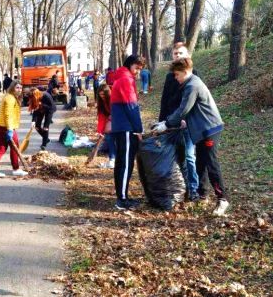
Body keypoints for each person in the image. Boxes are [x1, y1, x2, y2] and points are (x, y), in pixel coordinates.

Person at [153, 57, 228, 216]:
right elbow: (187, 111)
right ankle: (202, 195)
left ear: (185, 72)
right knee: (200, 162)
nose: (175, 77)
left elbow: (183, 110)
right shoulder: (189, 84)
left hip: (209, 129)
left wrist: (165, 124)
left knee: (211, 163)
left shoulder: (193, 85)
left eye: (177, 74)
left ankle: (223, 199)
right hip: (201, 130)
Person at [159, 42, 200, 200]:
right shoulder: (170, 76)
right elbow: (165, 100)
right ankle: (176, 188)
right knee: (173, 155)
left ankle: (193, 189)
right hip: (171, 123)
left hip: (187, 123)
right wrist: (163, 122)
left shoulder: (194, 75)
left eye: (181, 53)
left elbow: (193, 101)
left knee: (190, 156)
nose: (178, 56)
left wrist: (186, 119)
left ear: (187, 56)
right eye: (175, 54)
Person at [111, 55, 145, 210]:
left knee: (121, 163)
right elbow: (131, 106)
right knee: (125, 164)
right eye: (137, 68)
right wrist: (138, 129)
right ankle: (122, 199)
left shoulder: (121, 78)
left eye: (140, 69)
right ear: (130, 65)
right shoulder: (126, 79)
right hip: (126, 127)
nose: (138, 72)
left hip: (121, 126)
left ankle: (122, 195)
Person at [0, 82, 28, 178]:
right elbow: (8, 115)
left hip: (2, 126)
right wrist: (10, 129)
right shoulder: (10, 98)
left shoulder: (11, 97)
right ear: (12, 88)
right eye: (17, 87)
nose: (19, 89)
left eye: (20, 88)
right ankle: (15, 169)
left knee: (2, 148)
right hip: (5, 127)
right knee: (15, 148)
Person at [96, 83, 115, 169]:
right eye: (100, 95)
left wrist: (112, 117)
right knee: (109, 137)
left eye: (103, 95)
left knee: (115, 138)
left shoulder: (114, 98)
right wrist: (100, 131)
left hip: (119, 122)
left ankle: (114, 158)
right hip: (110, 123)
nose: (102, 97)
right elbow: (101, 117)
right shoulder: (101, 103)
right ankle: (112, 158)